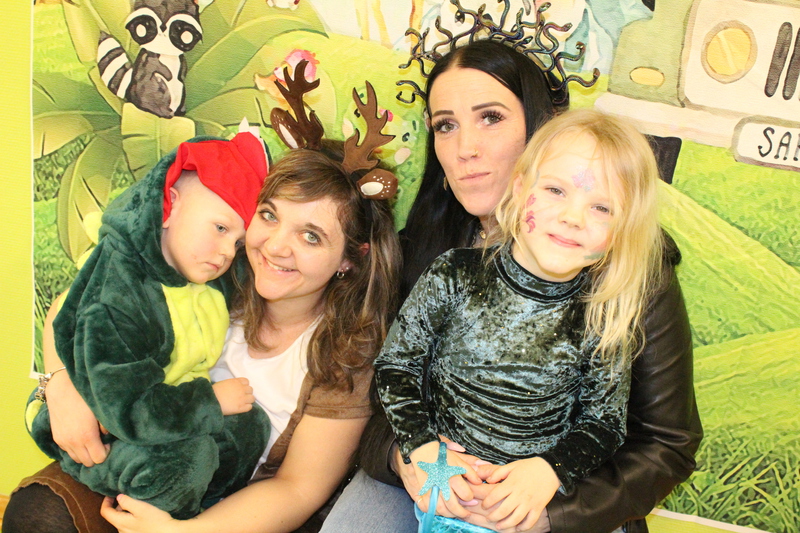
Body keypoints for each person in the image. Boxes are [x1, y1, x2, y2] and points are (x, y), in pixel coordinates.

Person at [321, 39, 701, 533]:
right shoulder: (432, 254)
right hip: (438, 475)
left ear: (537, 129)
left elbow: (666, 444)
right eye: (446, 125)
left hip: (564, 495)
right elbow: (388, 382)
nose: (466, 148)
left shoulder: (628, 267)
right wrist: (404, 455)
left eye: (491, 117)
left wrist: (551, 513)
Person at [4, 144, 402, 533]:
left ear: (351, 258)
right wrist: (60, 384)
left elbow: (298, 488)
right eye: (269, 215)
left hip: (235, 509)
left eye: (311, 236)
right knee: (39, 512)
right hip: (140, 454)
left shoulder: (348, 352)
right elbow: (76, 306)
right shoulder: (218, 269)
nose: (276, 246)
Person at [375, 108, 666, 532]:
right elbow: (395, 366)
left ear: (621, 231)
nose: (573, 217)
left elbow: (603, 424)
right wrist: (419, 446)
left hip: (530, 513)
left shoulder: (604, 314)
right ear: (518, 188)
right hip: (448, 499)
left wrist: (550, 471)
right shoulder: (454, 274)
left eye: (602, 207)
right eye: (555, 190)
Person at [25, 132, 272, 519]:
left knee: (250, 425)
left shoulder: (198, 270)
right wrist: (208, 402)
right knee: (188, 459)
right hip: (107, 429)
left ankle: (202, 507)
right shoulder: (122, 293)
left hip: (162, 411)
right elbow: (129, 408)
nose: (228, 252)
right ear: (169, 206)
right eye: (221, 229)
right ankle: (161, 510)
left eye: (238, 243)